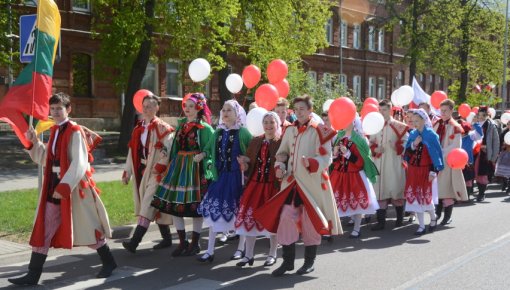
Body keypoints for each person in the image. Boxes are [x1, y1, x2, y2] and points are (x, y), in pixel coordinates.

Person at [8, 93, 116, 286]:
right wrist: (33, 143)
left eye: (59, 108)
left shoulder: (74, 131)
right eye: (53, 109)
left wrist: (64, 186)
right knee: (45, 228)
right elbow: (44, 159)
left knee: (88, 227)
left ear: (68, 109)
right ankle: (33, 275)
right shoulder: (55, 130)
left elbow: (80, 162)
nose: (56, 112)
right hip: (53, 186)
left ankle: (109, 262)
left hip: (73, 189)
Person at [254, 95, 342, 277]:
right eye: (297, 109)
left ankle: (309, 262)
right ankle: (287, 262)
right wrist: (280, 167)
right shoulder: (290, 130)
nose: (299, 112)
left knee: (310, 224)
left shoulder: (321, 131)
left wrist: (311, 162)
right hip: (291, 184)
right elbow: (282, 154)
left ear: (310, 111)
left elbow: (327, 159)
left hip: (311, 185)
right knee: (287, 219)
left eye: (303, 109)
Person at [151, 93, 214, 257]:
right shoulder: (181, 126)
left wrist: (204, 155)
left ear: (199, 108)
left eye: (191, 106)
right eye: (185, 105)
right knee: (174, 206)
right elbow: (175, 145)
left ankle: (195, 243)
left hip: (195, 169)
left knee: (195, 208)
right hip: (178, 168)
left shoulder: (205, 128)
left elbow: (211, 147)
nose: (187, 109)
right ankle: (182, 241)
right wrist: (168, 155)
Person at [197, 100, 252, 263]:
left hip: (237, 178)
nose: (225, 113)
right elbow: (208, 148)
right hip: (220, 177)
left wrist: (246, 160)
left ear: (237, 114)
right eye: (223, 110)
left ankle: (240, 249)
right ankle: (210, 250)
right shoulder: (218, 132)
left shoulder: (243, 132)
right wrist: (203, 155)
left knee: (238, 213)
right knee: (214, 212)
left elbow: (252, 152)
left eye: (229, 110)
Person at [122, 95, 175, 254]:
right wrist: (127, 171)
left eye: (150, 106)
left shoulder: (163, 128)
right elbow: (132, 151)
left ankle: (134, 242)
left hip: (157, 173)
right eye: (144, 106)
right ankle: (167, 239)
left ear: (157, 108)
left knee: (148, 204)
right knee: (153, 205)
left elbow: (168, 149)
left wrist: (160, 166)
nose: (146, 109)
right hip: (142, 172)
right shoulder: (138, 128)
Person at [234, 112, 282, 267]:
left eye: (271, 122)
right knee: (250, 219)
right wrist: (244, 162)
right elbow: (250, 161)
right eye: (266, 122)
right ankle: (248, 255)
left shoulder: (281, 142)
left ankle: (272, 253)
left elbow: (284, 162)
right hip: (255, 185)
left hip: (272, 187)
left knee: (272, 221)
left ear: (277, 124)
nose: (268, 126)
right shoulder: (256, 141)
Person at [332, 116, 379, 238]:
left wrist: (348, 153)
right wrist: (335, 154)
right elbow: (335, 161)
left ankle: (357, 228)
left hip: (355, 175)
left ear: (353, 122)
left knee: (357, 202)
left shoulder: (360, 139)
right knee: (334, 202)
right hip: (339, 175)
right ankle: (332, 229)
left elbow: (361, 162)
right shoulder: (339, 137)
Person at [404, 109, 445, 235]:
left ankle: (433, 218)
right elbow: (407, 154)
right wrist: (413, 145)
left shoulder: (431, 135)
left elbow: (436, 154)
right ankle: (421, 226)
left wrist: (433, 171)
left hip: (425, 170)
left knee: (426, 198)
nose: (415, 123)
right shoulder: (412, 134)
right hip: (413, 171)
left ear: (424, 120)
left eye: (417, 120)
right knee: (415, 199)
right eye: (413, 121)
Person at [369, 100, 408, 230]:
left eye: (384, 110)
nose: (381, 112)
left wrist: (396, 146)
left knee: (395, 188)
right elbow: (370, 142)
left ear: (390, 110)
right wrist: (375, 149)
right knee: (380, 190)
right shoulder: (375, 125)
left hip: (394, 162)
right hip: (379, 162)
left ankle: (399, 218)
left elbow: (406, 143)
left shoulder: (399, 126)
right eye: (380, 110)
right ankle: (381, 222)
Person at [433, 99, 468, 225]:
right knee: (437, 188)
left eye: (445, 111)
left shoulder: (456, 127)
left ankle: (447, 216)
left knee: (447, 188)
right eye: (441, 110)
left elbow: (456, 146)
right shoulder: (437, 124)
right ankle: (437, 214)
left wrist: (441, 152)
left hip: (449, 162)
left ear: (451, 111)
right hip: (436, 161)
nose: (442, 113)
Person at [474, 106, 500, 201]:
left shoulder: (491, 125)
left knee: (483, 173)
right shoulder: (474, 124)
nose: (480, 117)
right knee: (476, 173)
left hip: (485, 153)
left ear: (486, 115)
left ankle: (481, 193)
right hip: (475, 152)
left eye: (483, 115)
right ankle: (477, 191)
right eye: (479, 114)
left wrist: (494, 156)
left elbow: (496, 141)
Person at [460, 120, 483, 201]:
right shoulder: (454, 136)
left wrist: (475, 124)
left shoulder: (470, 136)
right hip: (456, 163)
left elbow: (480, 134)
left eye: (464, 131)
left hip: (468, 162)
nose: (463, 133)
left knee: (468, 180)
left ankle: (467, 196)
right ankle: (460, 197)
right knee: (459, 180)